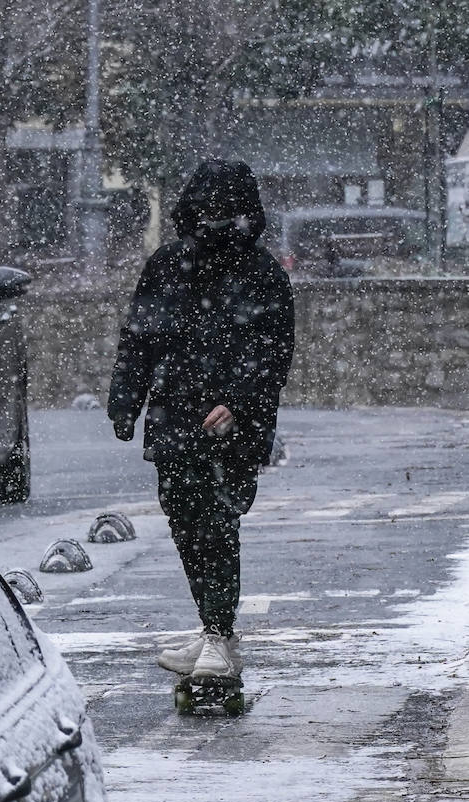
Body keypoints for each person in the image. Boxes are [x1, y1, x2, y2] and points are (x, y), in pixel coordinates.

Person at [108, 159, 295, 683]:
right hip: (176, 415)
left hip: (232, 426)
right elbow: (140, 337)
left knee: (216, 523)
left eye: (224, 211)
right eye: (206, 210)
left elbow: (275, 352)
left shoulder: (262, 274)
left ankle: (217, 632)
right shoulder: (168, 265)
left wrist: (238, 401)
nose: (214, 222)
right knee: (185, 521)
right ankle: (215, 631)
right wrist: (125, 399)